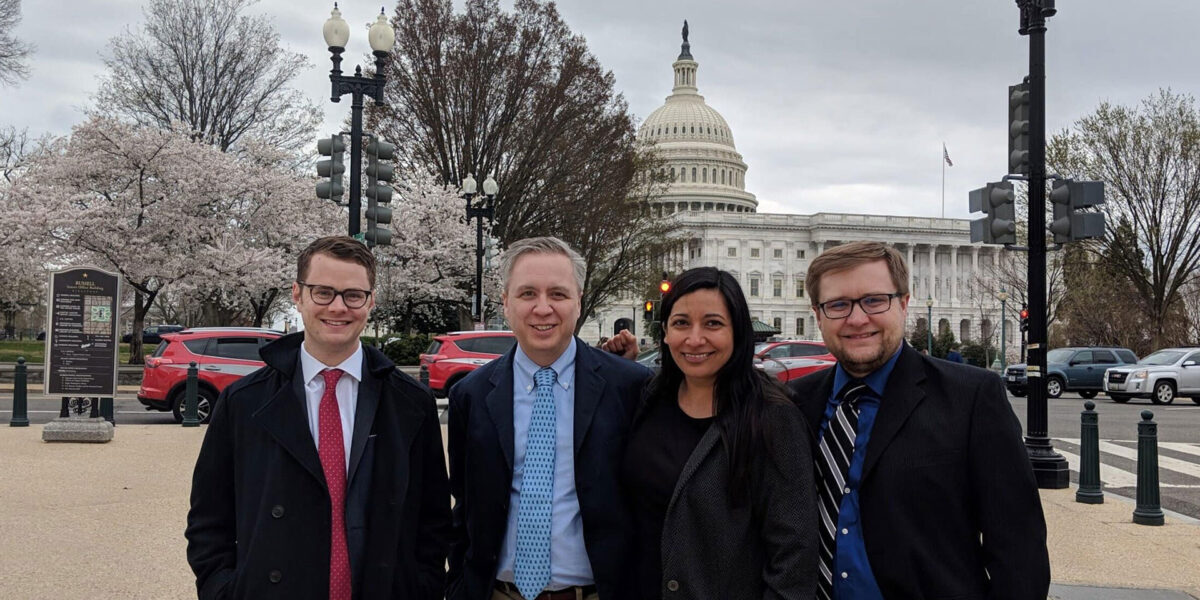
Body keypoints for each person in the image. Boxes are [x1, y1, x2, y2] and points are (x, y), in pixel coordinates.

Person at [186, 236, 451, 600]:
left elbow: (433, 519)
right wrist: (224, 590)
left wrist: (421, 588)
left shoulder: (411, 403)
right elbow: (209, 518)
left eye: (353, 295)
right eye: (323, 292)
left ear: (371, 301)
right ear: (297, 294)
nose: (338, 307)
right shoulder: (243, 402)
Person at [788, 241, 1049, 599]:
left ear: (904, 303)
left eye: (874, 300)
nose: (857, 318)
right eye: (838, 305)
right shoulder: (794, 403)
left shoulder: (971, 398)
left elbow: (1019, 546)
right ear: (818, 316)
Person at [446, 236, 652, 600]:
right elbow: (465, 508)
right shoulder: (471, 395)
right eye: (527, 294)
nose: (543, 309)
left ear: (579, 302)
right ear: (506, 302)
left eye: (558, 294)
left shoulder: (630, 387)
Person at [622, 267, 818, 599]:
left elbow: (794, 553)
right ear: (665, 332)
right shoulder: (648, 400)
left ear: (738, 332)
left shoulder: (772, 417)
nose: (695, 339)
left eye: (713, 323)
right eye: (681, 323)